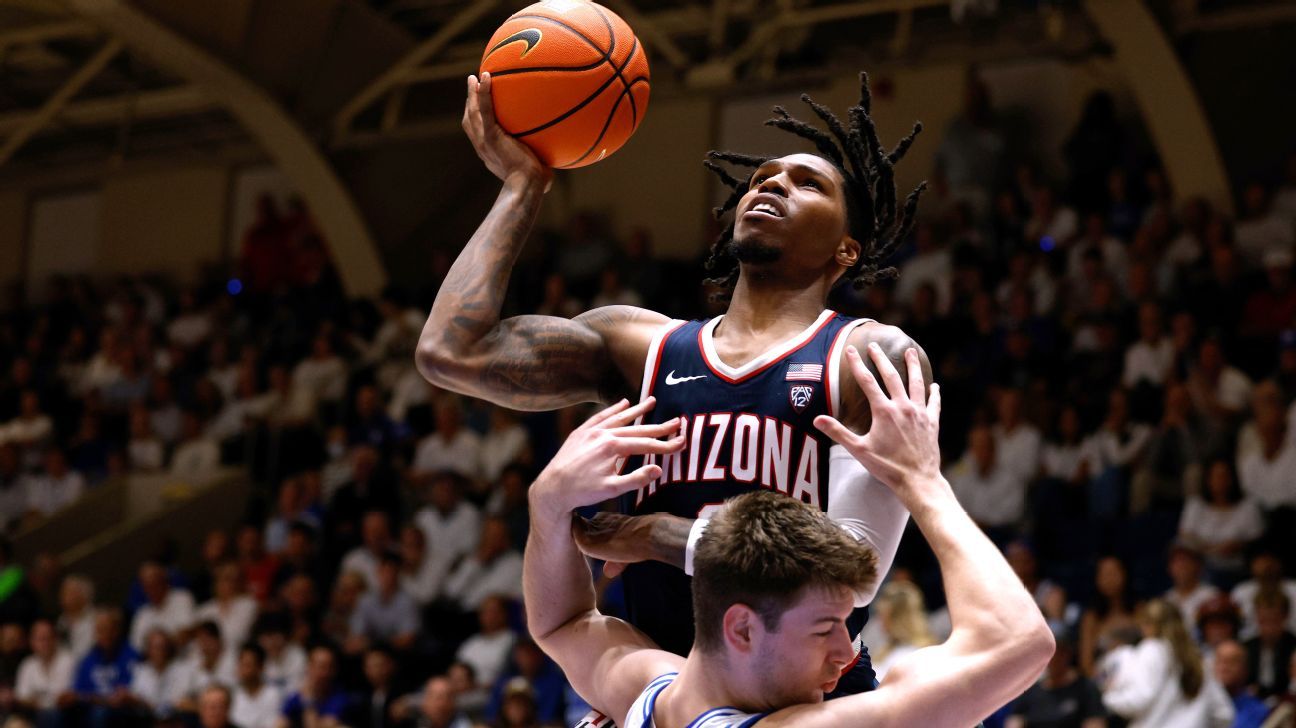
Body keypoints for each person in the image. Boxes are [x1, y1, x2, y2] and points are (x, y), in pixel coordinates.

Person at [421, 69, 930, 698]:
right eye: (762, 178)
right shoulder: (641, 346)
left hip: (804, 699)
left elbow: (857, 571)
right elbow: (452, 351)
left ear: (846, 250)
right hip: (658, 690)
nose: (772, 184)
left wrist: (655, 535)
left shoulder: (870, 356)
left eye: (808, 184)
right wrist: (523, 186)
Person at [522, 345, 1053, 726]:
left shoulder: (651, 692)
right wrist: (924, 483)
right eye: (826, 628)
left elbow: (562, 622)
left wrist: (547, 502)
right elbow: (1018, 643)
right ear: (742, 629)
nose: (846, 651)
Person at [1100, 599, 1233, 727]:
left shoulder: (1152, 649)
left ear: (1150, 625)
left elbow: (1139, 699)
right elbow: (1224, 714)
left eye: (1144, 624)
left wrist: (1104, 698)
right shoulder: (1198, 658)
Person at [1006, 636, 1106, 728]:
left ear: (1069, 654)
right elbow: (1015, 720)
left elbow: (1095, 722)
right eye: (1050, 653)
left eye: (1060, 652)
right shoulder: (1030, 690)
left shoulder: (1085, 688)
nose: (1055, 658)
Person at [1213, 639, 1270, 728]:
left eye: (1231, 662)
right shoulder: (1200, 706)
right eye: (1220, 661)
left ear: (1245, 669)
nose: (1224, 668)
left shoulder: (1258, 711)